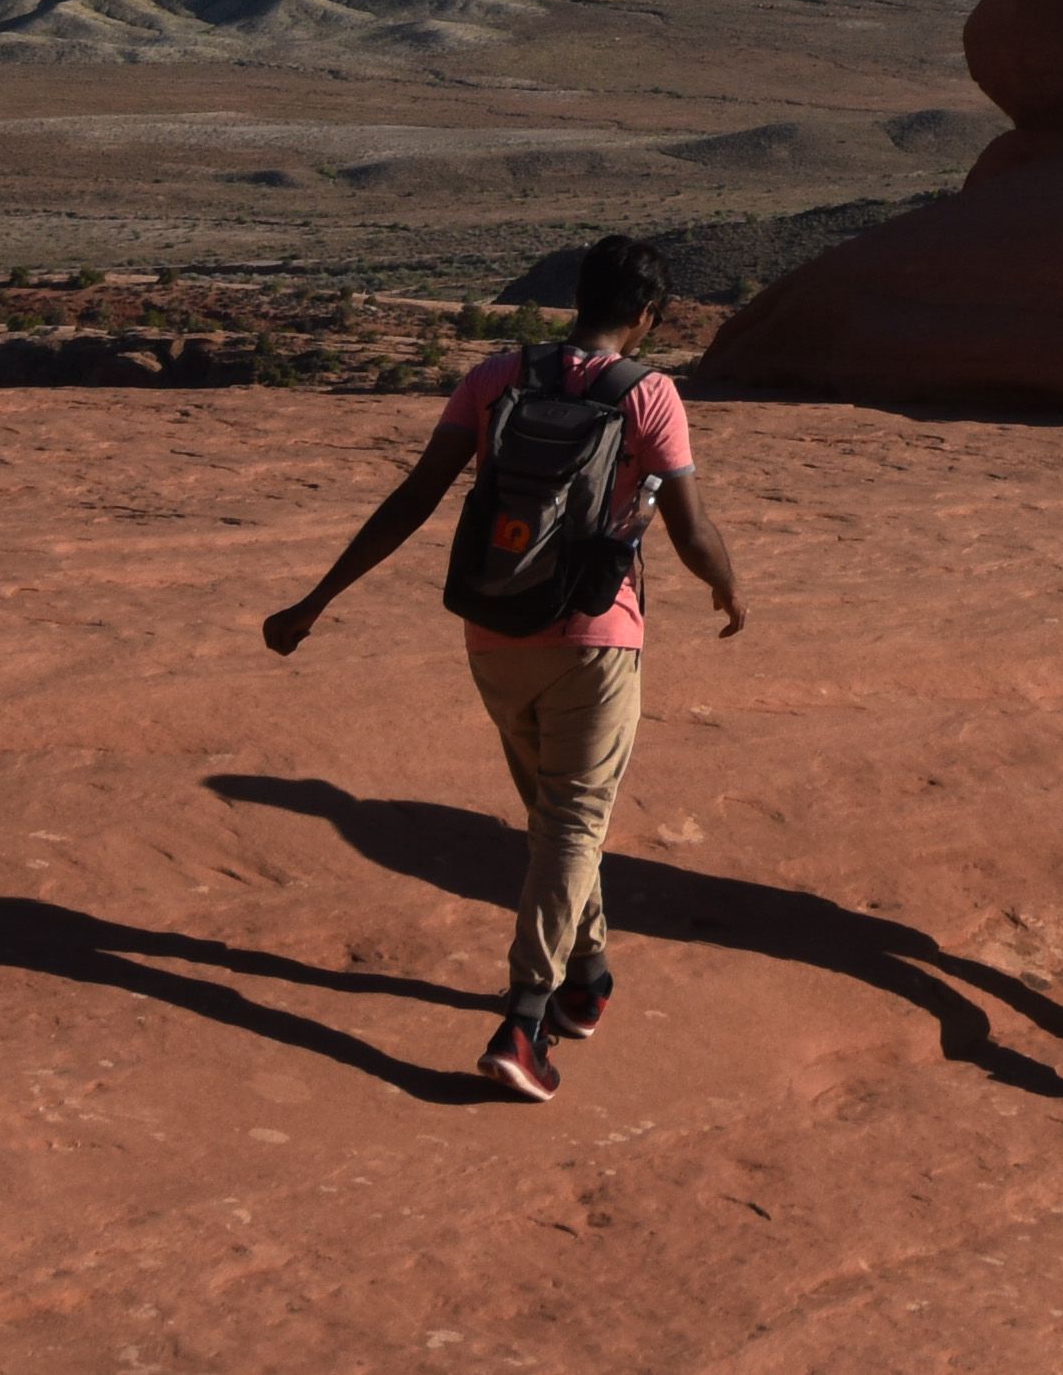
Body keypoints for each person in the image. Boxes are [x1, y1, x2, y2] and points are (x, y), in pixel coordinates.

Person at [263, 232, 749, 1102]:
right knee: (573, 819)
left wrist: (316, 599)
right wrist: (729, 587)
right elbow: (690, 526)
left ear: (577, 296)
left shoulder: (494, 378)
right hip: (597, 636)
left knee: (559, 816)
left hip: (493, 631)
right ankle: (524, 1019)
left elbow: (416, 494)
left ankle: (587, 975)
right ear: (646, 315)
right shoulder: (651, 394)